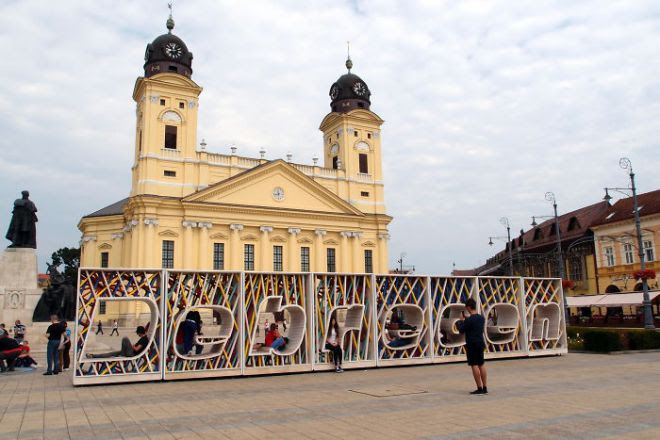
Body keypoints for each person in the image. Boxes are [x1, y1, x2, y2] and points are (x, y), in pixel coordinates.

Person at [457, 298, 488, 395]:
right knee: (481, 364)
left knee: (474, 365)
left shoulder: (468, 320)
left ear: (469, 307)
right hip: (480, 342)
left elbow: (461, 330)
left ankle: (479, 388)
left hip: (471, 344)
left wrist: (461, 321)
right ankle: (485, 387)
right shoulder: (481, 318)